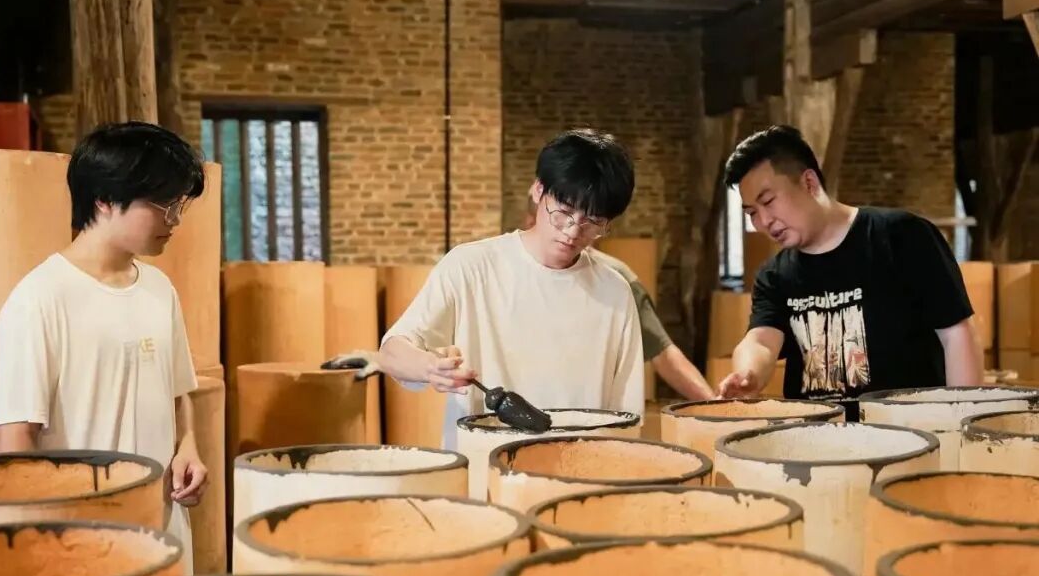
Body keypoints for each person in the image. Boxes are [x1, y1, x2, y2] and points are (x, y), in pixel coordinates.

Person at [0, 121, 209, 573]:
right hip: (82, 541)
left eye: (179, 205)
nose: (174, 220)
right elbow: (15, 444)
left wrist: (187, 446)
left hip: (164, 528)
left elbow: (178, 392)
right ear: (105, 199)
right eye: (163, 205)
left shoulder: (159, 289)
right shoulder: (40, 299)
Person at [379, 128, 644, 450]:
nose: (573, 231)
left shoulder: (614, 292)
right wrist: (430, 368)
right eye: (563, 211)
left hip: (580, 466)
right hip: (484, 466)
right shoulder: (471, 266)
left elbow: (627, 416)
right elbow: (392, 352)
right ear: (538, 190)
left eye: (593, 221)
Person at [717, 125, 982, 418]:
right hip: (818, 438)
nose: (763, 221)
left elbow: (956, 334)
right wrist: (748, 374)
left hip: (912, 434)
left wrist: (962, 423)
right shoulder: (775, 276)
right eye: (752, 212)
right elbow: (761, 340)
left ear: (809, 182)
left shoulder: (901, 236)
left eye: (768, 201)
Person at [519, 192, 714, 401]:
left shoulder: (617, 280)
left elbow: (662, 353)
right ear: (531, 221)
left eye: (589, 222)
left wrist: (715, 406)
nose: (572, 233)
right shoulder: (501, 272)